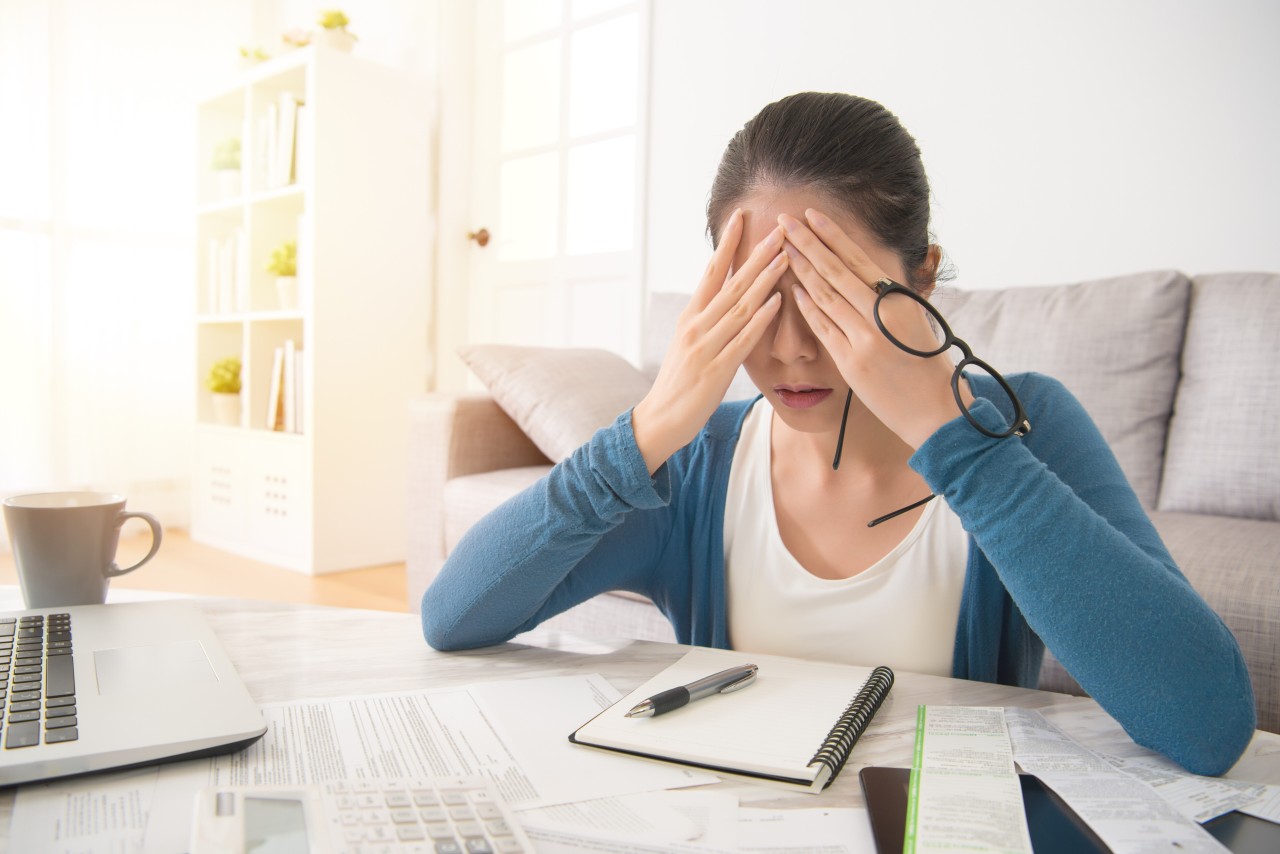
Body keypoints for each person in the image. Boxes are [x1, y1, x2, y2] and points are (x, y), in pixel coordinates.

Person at [422, 92, 1254, 776]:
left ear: (921, 277)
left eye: (830, 298)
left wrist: (952, 436)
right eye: (758, 301)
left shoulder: (1022, 427)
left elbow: (1206, 724)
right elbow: (452, 617)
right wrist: (642, 431)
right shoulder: (697, 461)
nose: (790, 349)